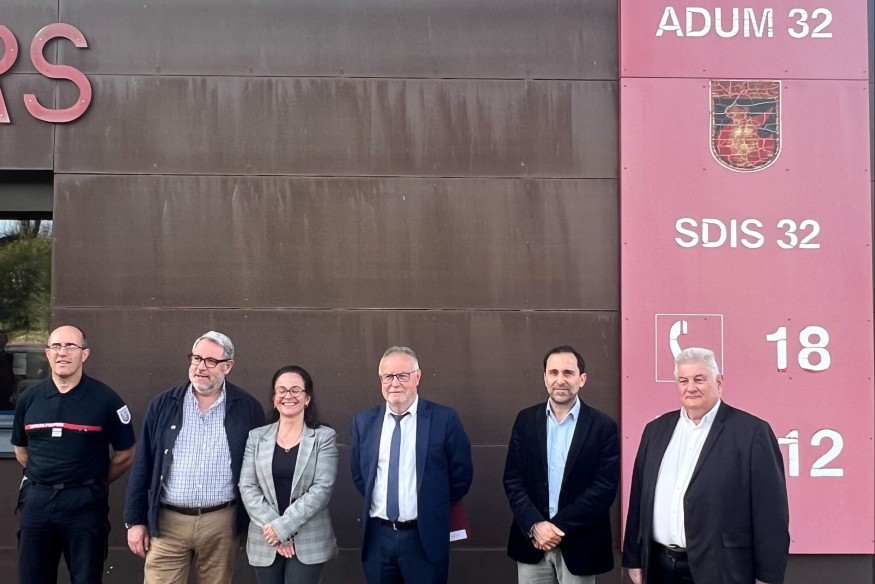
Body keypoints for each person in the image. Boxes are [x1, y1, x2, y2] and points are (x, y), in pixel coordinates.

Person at [623, 347, 789, 584]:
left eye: (699, 379)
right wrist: (634, 557)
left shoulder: (752, 433)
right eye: (683, 380)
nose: (691, 387)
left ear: (719, 382)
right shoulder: (655, 431)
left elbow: (771, 512)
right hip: (659, 567)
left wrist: (768, 576)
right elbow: (639, 498)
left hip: (721, 568)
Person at [124, 331, 265, 584]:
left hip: (221, 524)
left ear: (228, 366)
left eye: (211, 361)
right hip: (167, 523)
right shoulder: (163, 404)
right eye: (196, 358)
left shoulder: (248, 408)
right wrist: (135, 521)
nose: (200, 367)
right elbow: (143, 463)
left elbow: (258, 470)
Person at [11, 325, 136, 584]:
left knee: (86, 578)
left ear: (84, 354)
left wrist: (91, 481)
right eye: (56, 346)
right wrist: (44, 477)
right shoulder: (29, 398)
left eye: (70, 346)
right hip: (37, 503)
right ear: (47, 353)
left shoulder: (106, 400)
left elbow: (125, 454)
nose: (62, 352)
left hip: (84, 505)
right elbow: (21, 450)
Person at [350, 346, 473, 584]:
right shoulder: (364, 422)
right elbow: (360, 475)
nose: (395, 383)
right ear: (381, 380)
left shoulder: (444, 419)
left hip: (423, 538)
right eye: (388, 376)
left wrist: (431, 505)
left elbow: (461, 475)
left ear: (418, 377)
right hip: (378, 538)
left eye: (402, 375)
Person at [503, 345, 619, 583]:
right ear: (545, 378)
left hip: (580, 546)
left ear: (582, 379)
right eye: (553, 372)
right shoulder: (525, 421)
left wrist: (556, 529)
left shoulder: (603, 426)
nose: (560, 380)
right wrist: (536, 525)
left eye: (568, 373)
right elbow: (513, 480)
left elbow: (604, 488)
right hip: (532, 544)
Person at [239, 365, 338, 583]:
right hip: (266, 538)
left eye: (295, 390)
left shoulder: (324, 437)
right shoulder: (256, 437)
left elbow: (322, 489)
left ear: (307, 398)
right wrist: (275, 529)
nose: (288, 396)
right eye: (281, 390)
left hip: (308, 541)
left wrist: (284, 527)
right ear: (274, 398)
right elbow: (247, 486)